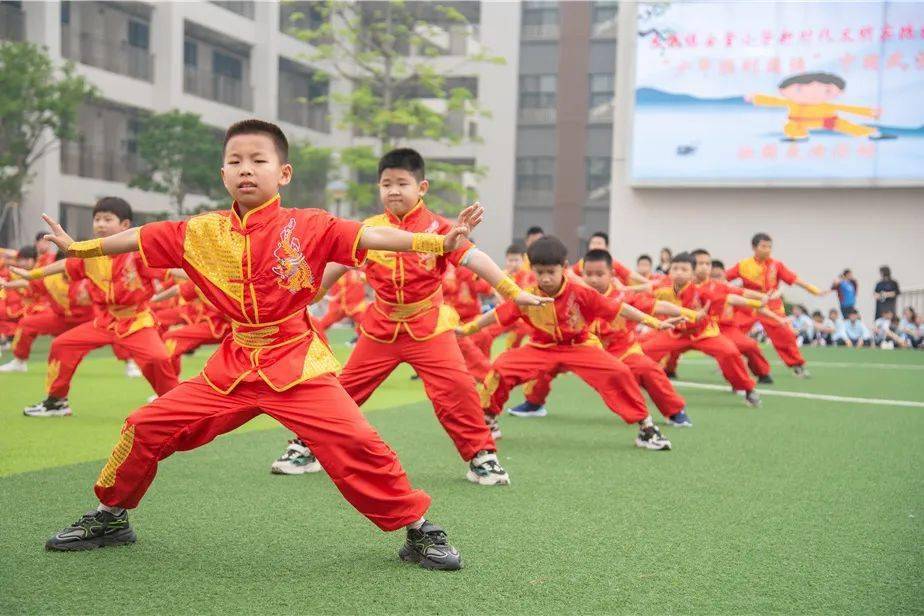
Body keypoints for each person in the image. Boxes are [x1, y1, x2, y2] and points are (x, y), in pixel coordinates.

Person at [39, 119, 487, 570]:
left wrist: (438, 239)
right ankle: (111, 516)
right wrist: (80, 249)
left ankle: (418, 528)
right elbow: (138, 237)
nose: (246, 169)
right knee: (144, 424)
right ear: (223, 174)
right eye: (235, 161)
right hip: (231, 368)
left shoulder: (310, 225)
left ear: (283, 173)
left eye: (258, 160)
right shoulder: (200, 231)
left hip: (296, 363)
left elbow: (373, 235)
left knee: (356, 440)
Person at [269, 148, 549, 486]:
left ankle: (482, 457)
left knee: (456, 390)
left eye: (402, 183)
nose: (394, 190)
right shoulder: (368, 230)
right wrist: (298, 297)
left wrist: (513, 292)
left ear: (422, 187)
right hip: (380, 328)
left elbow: (475, 259)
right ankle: (305, 447)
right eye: (386, 184)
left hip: (429, 326)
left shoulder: (443, 228)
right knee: (342, 390)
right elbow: (335, 267)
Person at [460, 237, 676, 450]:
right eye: (540, 272)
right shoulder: (526, 296)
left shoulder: (581, 293)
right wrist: (467, 329)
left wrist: (652, 321)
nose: (545, 279)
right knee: (500, 368)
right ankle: (488, 419)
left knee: (619, 372)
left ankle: (646, 428)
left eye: (550, 272)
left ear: (563, 267)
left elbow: (620, 308)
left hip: (579, 346)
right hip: (541, 347)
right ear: (532, 268)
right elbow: (498, 314)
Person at [9, 198, 180, 417]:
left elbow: (171, 271)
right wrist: (33, 274)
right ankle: (56, 402)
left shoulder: (138, 254)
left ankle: (175, 406)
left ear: (125, 225)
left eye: (108, 219)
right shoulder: (88, 255)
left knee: (158, 358)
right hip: (104, 321)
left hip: (136, 321)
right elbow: (66, 264)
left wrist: (200, 272)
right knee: (63, 345)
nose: (100, 224)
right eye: (97, 219)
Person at [503, 248, 694, 427]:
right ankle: (534, 403)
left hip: (620, 351)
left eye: (599, 274)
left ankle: (674, 411)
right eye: (588, 274)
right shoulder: (573, 295)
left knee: (648, 369)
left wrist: (688, 313)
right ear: (581, 275)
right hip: (577, 349)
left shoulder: (624, 297)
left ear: (611, 274)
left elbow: (658, 306)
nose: (593, 279)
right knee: (543, 366)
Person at [642, 252, 763, 407]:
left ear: (692, 274)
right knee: (644, 352)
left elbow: (730, 298)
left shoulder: (703, 292)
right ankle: (634, 385)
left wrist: (757, 303)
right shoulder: (662, 290)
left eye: (684, 270)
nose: (679, 272)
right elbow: (642, 294)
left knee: (730, 352)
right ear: (669, 271)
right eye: (675, 268)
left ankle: (748, 389)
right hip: (676, 334)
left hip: (704, 334)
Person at [726, 233, 824, 378]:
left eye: (769, 247)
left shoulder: (776, 265)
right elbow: (723, 278)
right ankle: (730, 362)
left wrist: (811, 288)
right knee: (733, 332)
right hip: (749, 305)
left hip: (772, 306)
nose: (767, 250)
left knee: (785, 335)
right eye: (763, 246)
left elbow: (793, 278)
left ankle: (798, 366)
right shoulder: (743, 265)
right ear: (754, 247)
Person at [0, 254, 94, 372]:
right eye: (61, 266)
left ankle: (126, 361)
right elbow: (27, 284)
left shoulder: (89, 278)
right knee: (27, 323)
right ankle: (19, 362)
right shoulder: (51, 280)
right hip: (62, 320)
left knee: (115, 329)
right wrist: (7, 285)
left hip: (89, 322)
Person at [746, 72, 888, 141]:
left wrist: (870, 112)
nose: (812, 95)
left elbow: (848, 109)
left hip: (828, 121)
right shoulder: (792, 102)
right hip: (798, 122)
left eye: (826, 90)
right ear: (784, 91)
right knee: (790, 127)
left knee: (847, 126)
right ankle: (799, 136)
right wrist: (756, 98)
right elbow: (774, 101)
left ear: (838, 92)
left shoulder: (828, 105)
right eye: (800, 89)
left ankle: (870, 133)